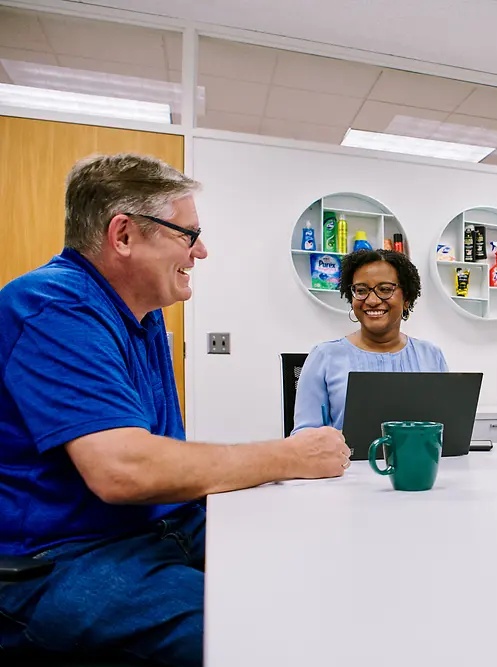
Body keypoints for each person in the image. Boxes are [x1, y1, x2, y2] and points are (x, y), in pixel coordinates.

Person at [0, 154, 350, 666]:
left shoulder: (141, 318)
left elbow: (159, 460)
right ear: (123, 236)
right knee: (263, 638)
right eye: (188, 234)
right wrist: (291, 455)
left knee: (321, 568)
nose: (201, 251)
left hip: (153, 530)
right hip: (61, 559)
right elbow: (123, 469)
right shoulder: (53, 308)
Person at [292, 249, 447, 433]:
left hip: (417, 461)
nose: (372, 300)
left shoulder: (431, 356)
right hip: (345, 462)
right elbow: (304, 438)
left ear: (406, 298)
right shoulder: (324, 357)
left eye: (385, 289)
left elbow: (444, 430)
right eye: (361, 290)